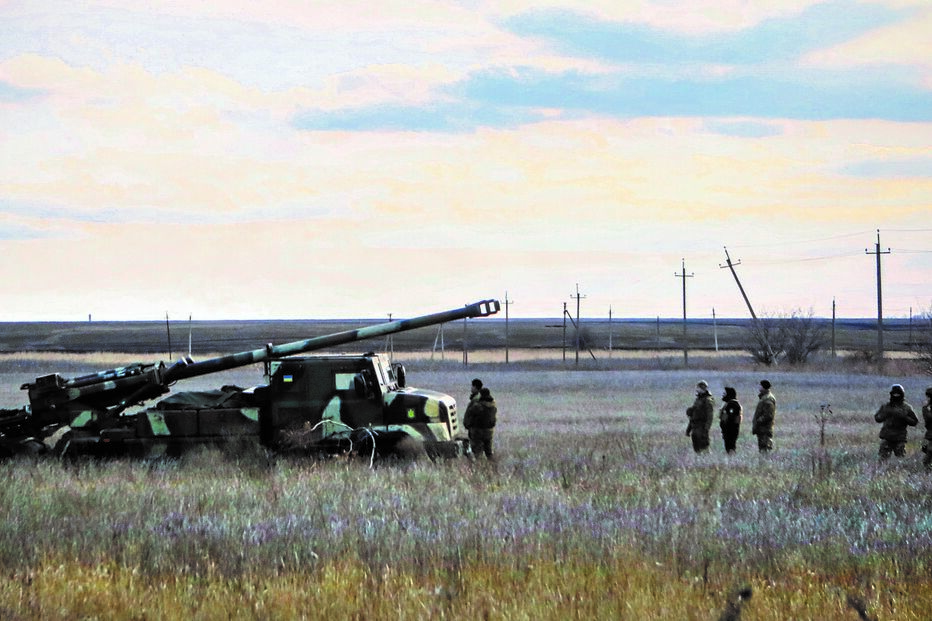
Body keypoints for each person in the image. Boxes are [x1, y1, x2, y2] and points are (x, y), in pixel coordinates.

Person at [874, 383, 918, 460]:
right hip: (887, 437)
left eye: (898, 394)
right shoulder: (886, 406)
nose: (896, 396)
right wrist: (885, 414)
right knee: (882, 459)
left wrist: (904, 417)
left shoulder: (906, 408)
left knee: (900, 458)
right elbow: (877, 418)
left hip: (899, 438)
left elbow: (914, 422)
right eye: (894, 394)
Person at [464, 386, 497, 459]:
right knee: (489, 451)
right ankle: (492, 466)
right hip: (489, 431)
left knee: (477, 452)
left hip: (478, 431)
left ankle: (479, 466)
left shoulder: (477, 406)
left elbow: (469, 415)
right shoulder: (493, 405)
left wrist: (468, 425)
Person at [685, 380, 714, 453]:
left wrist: (706, 429)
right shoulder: (698, 399)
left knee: (704, 447)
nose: (697, 389)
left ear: (702, 388)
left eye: (698, 388)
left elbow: (710, 416)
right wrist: (688, 429)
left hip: (702, 426)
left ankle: (707, 462)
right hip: (695, 427)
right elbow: (692, 417)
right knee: (697, 448)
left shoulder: (708, 400)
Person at [751, 379, 777, 452]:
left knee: (765, 448)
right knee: (762, 448)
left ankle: (766, 463)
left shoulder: (768, 398)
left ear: (764, 387)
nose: (759, 387)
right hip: (762, 429)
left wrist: (759, 421)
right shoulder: (764, 397)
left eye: (760, 386)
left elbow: (768, 415)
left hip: (765, 428)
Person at [719, 386, 742, 454]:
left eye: (724, 393)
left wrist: (726, 428)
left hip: (731, 430)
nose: (723, 395)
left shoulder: (733, 404)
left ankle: (732, 460)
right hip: (728, 430)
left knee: (730, 447)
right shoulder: (728, 404)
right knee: (728, 447)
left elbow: (731, 418)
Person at [922, 387, 932, 469]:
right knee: (924, 448)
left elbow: (929, 418)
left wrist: (925, 407)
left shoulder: (927, 409)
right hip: (929, 435)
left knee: (927, 461)